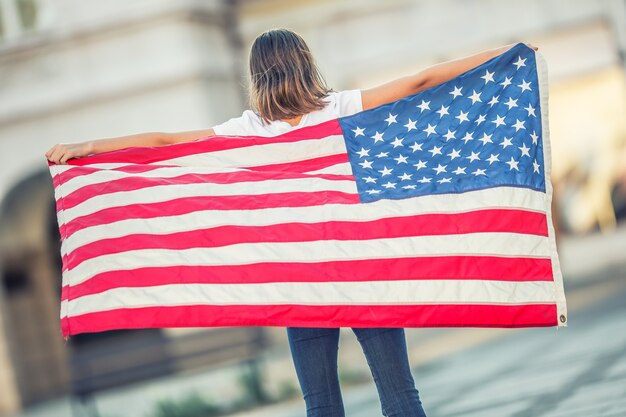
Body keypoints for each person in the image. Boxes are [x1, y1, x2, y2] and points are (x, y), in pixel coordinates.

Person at [46, 28, 538, 417]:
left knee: (321, 405)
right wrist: (505, 53)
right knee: (400, 397)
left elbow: (164, 143)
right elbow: (421, 82)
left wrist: (89, 148)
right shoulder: (342, 108)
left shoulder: (247, 131)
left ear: (258, 76)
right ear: (307, 64)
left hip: (299, 284)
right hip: (364, 274)